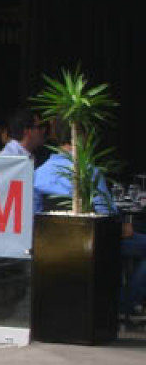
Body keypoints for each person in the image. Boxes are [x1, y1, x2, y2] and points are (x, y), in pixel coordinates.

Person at [34, 119, 146, 325]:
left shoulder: (38, 174)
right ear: (82, 139)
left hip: (50, 246)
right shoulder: (89, 173)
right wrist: (123, 226)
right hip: (91, 244)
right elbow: (106, 217)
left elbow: (36, 215)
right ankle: (126, 303)